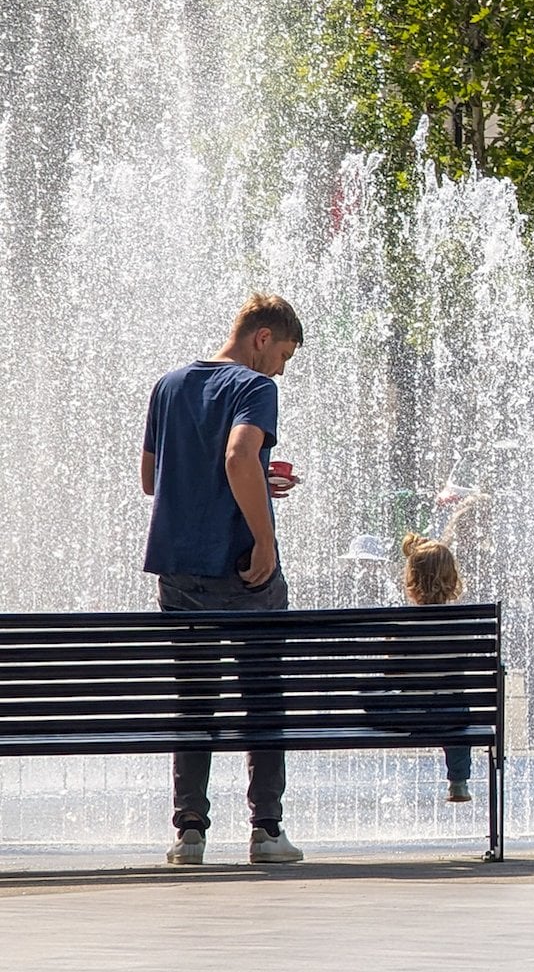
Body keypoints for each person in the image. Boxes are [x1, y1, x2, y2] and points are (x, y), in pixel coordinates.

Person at [142, 293, 308, 866]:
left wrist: (258, 482)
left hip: (178, 568)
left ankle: (189, 832)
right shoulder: (255, 388)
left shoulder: (168, 384)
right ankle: (266, 831)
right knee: (263, 697)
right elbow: (239, 457)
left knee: (194, 700)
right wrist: (264, 536)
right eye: (283, 354)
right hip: (241, 567)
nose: (282, 368)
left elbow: (150, 479)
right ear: (262, 338)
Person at [401, 532, 475, 803]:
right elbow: (461, 674)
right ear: (453, 579)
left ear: (410, 580)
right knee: (460, 714)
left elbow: (391, 674)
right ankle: (459, 781)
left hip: (409, 714)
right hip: (448, 715)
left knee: (374, 696)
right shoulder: (464, 626)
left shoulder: (400, 626)